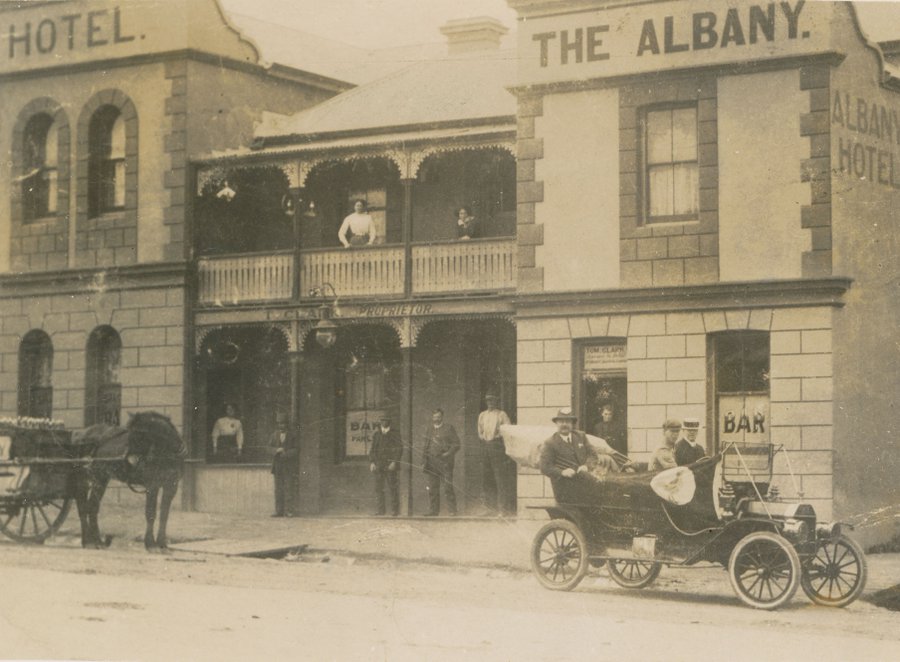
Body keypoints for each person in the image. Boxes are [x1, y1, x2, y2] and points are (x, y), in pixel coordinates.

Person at [539, 407, 599, 503]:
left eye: (567, 421)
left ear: (572, 424)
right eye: (561, 422)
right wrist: (562, 472)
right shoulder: (550, 443)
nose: (564, 424)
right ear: (556, 423)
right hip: (565, 489)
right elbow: (544, 467)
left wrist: (586, 466)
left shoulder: (580, 436)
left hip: (585, 484)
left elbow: (593, 455)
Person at [477, 393, 512, 516]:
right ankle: (489, 508)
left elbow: (508, 431)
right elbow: (480, 432)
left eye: (492, 400)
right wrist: (484, 438)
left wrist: (498, 436)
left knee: (500, 478)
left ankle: (503, 509)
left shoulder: (501, 414)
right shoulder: (482, 415)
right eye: (488, 400)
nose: (490, 402)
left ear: (497, 401)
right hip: (485, 446)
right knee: (486, 477)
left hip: (497, 446)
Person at [422, 408, 460, 516]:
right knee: (433, 488)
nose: (436, 419)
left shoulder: (449, 428)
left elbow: (456, 444)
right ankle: (433, 511)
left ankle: (452, 511)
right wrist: (424, 460)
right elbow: (426, 445)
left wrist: (447, 454)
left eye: (438, 417)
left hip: (445, 462)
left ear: (442, 417)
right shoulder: (429, 429)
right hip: (432, 462)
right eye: (434, 417)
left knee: (447, 487)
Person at [369, 416, 403, 516]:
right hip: (378, 465)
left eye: (386, 420)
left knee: (392, 487)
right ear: (380, 422)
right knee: (379, 488)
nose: (384, 422)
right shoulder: (377, 435)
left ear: (389, 422)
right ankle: (381, 511)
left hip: (390, 465)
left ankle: (394, 511)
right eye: (382, 420)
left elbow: (399, 449)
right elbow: (372, 450)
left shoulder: (395, 434)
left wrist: (394, 462)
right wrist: (372, 462)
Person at [268, 411, 299, 517]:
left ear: (287, 424)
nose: (282, 426)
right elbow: (268, 448)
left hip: (288, 466)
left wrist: (286, 453)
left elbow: (296, 450)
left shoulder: (292, 435)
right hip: (277, 466)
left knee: (288, 487)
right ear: (277, 424)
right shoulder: (273, 435)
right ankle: (278, 510)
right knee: (278, 488)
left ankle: (289, 510)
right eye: (280, 423)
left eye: (284, 423)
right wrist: (276, 450)